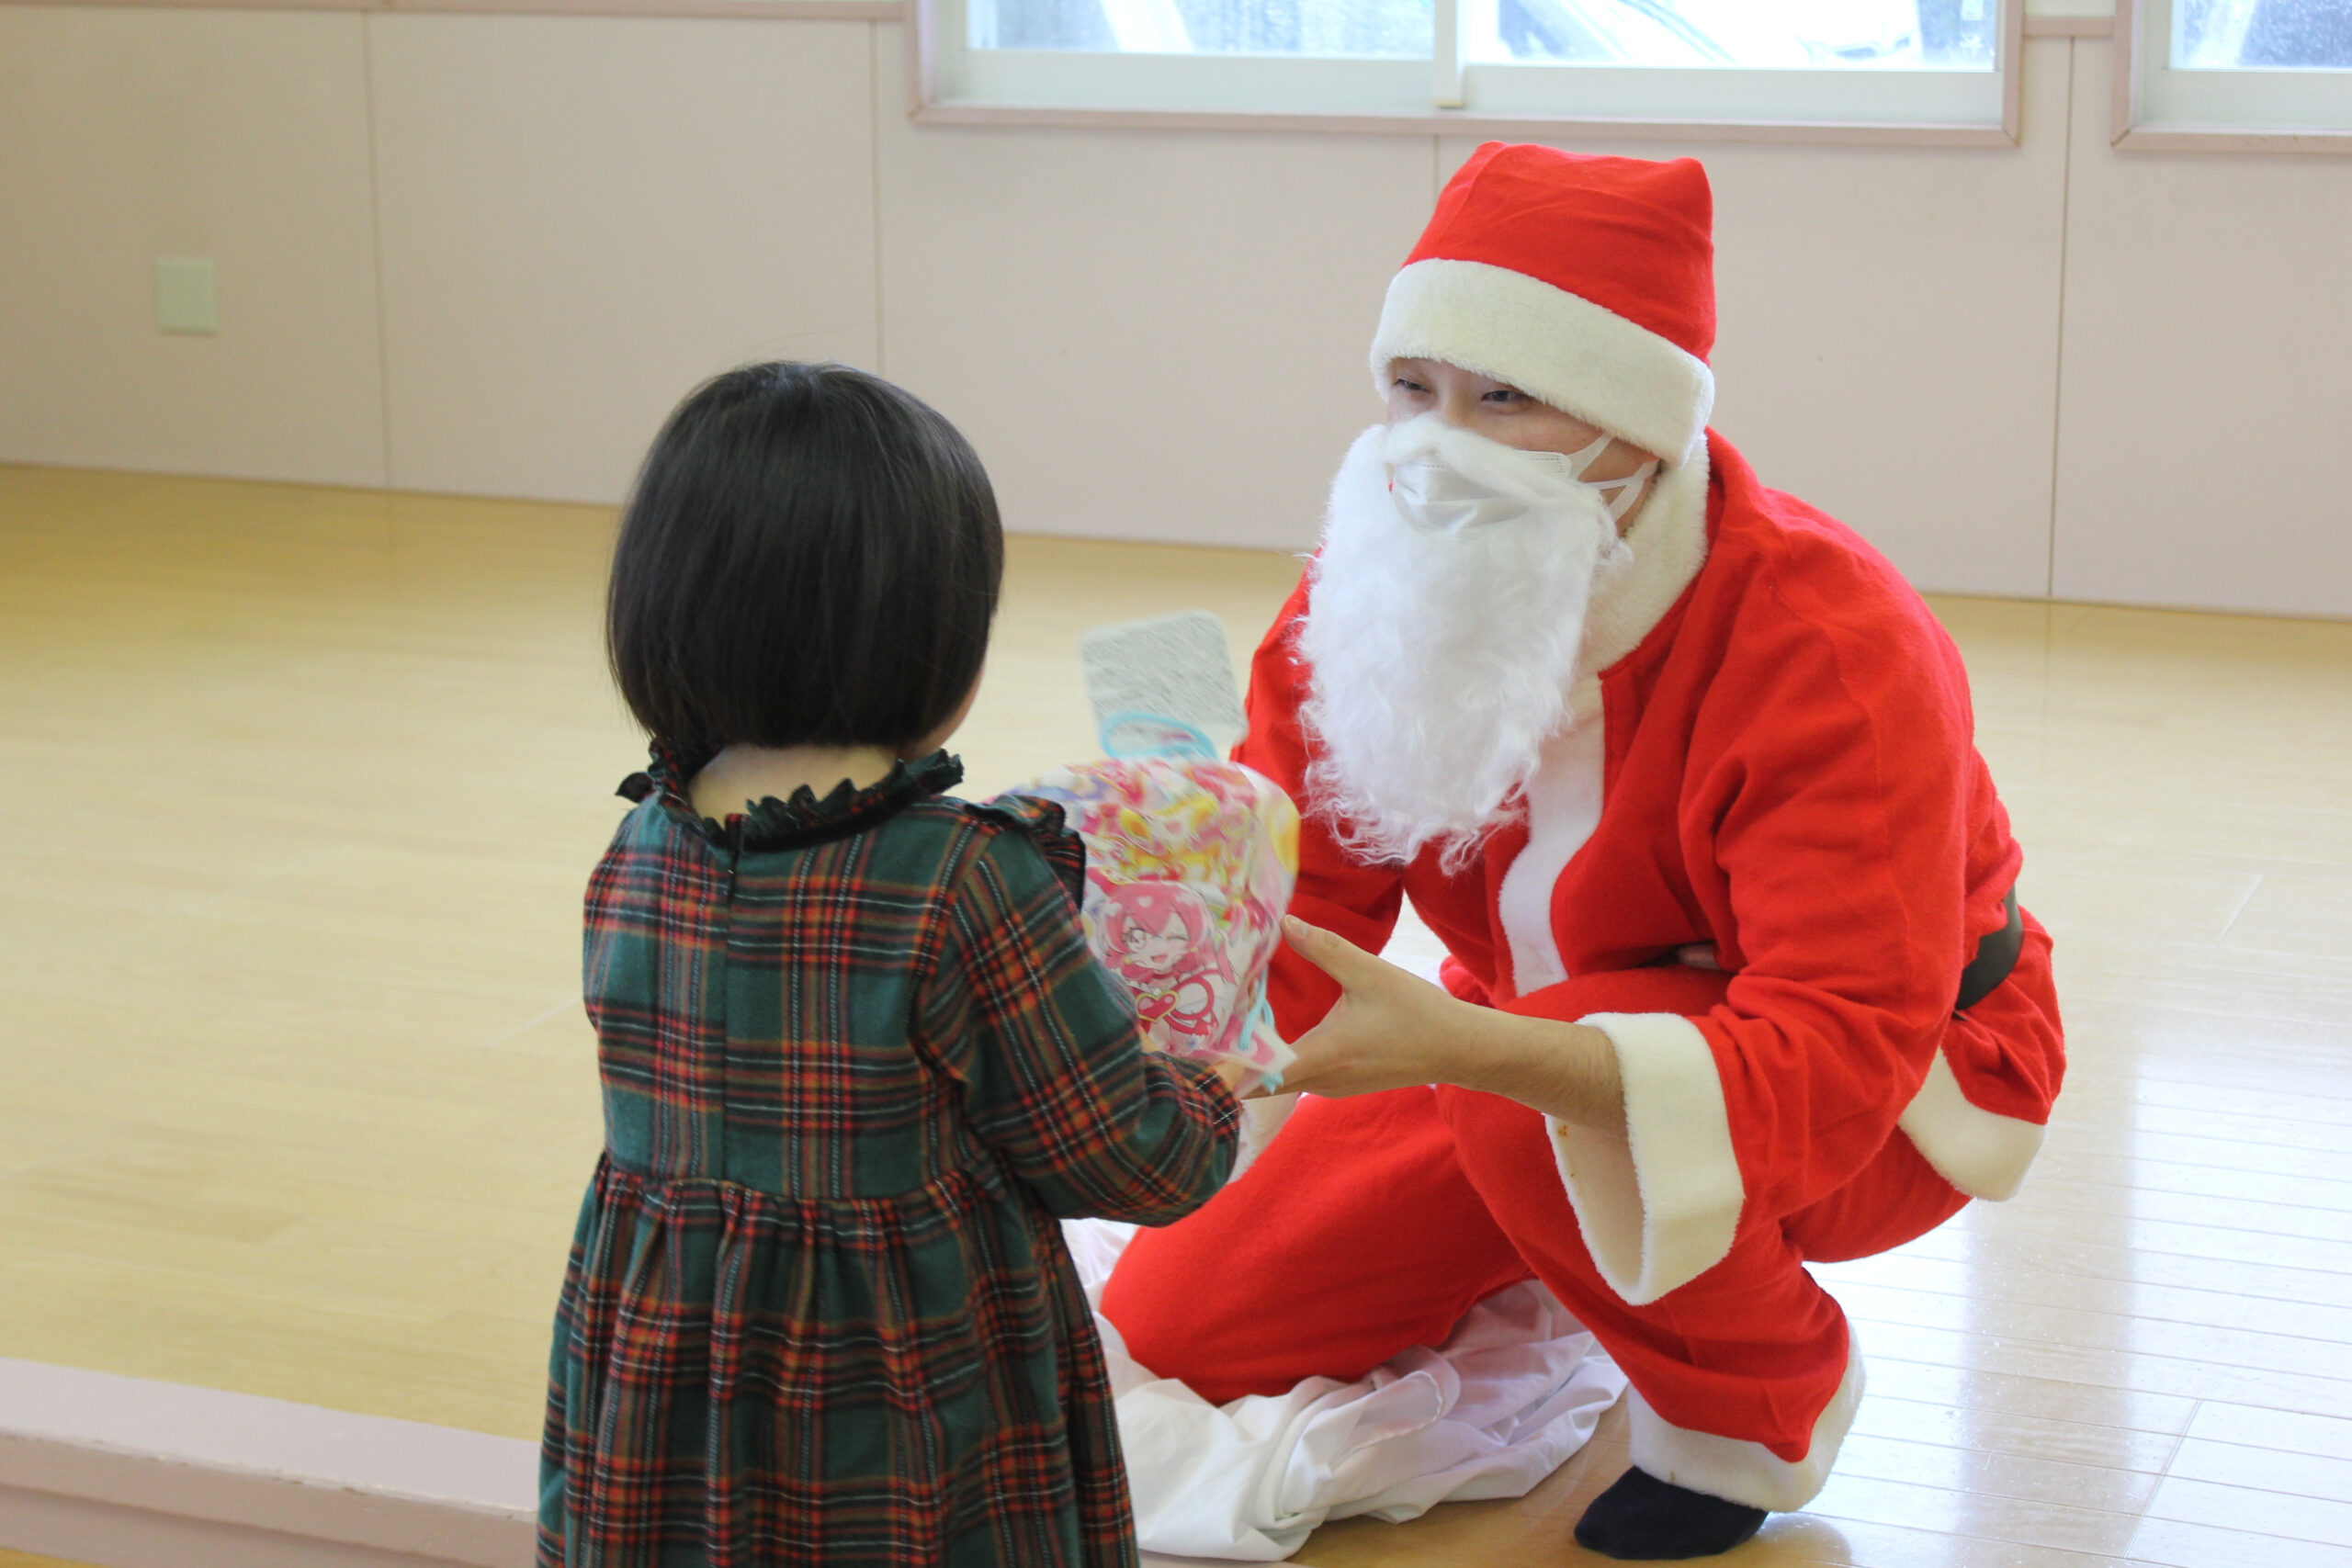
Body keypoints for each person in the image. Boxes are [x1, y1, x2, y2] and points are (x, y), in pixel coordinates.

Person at [1103, 143, 2066, 1560]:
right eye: (1412, 389)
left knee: (1515, 1098)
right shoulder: (1378, 577)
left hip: (1891, 1083)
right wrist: (1167, 1036)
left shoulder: (1830, 639)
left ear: (1638, 424)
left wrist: (1486, 1060)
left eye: (1507, 399)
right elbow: (1302, 886)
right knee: (1184, 1318)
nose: (1438, 446)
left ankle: (1760, 1401)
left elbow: (1842, 1043)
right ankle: (1572, 1228)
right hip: (1524, 1043)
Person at [537, 362, 1241, 1567]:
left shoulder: (638, 849)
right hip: (907, 1407)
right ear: (935, 645)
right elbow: (1130, 1156)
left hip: (674, 1397)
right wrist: (1217, 1078)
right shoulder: (965, 884)